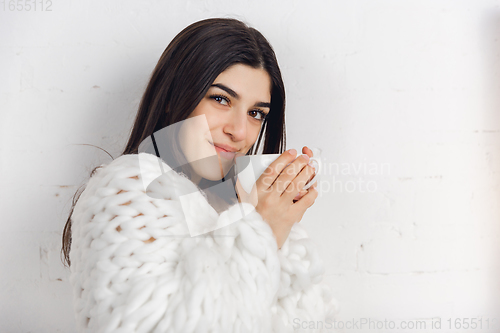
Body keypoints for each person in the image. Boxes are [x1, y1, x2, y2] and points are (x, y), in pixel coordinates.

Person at [61, 17, 337, 332]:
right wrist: (262, 228)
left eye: (256, 113)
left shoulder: (242, 204)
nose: (239, 131)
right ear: (173, 98)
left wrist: (273, 221)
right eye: (221, 99)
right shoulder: (128, 188)